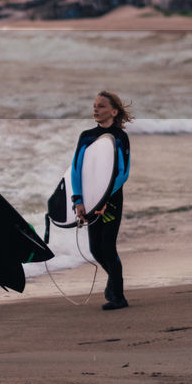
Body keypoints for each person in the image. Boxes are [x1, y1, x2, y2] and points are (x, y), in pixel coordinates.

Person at [70, 90, 133, 310]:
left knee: (107, 247)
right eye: (95, 105)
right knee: (95, 248)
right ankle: (113, 283)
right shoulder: (86, 136)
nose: (96, 109)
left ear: (114, 111)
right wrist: (78, 200)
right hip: (90, 199)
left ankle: (119, 296)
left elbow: (123, 173)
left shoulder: (120, 137)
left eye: (102, 106)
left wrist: (105, 197)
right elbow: (76, 170)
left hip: (111, 200)